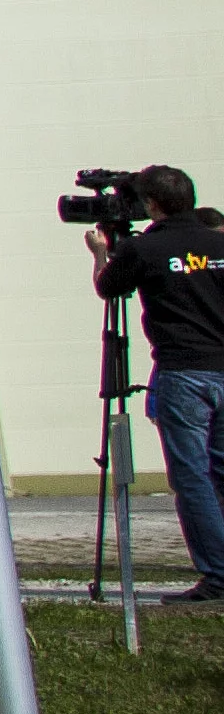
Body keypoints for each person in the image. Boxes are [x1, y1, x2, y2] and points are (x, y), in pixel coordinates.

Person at [88, 165, 224, 602]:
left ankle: (219, 576)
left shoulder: (145, 249)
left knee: (192, 477)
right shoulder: (218, 243)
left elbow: (109, 289)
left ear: (151, 205)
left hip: (183, 373)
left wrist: (101, 252)